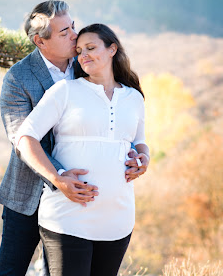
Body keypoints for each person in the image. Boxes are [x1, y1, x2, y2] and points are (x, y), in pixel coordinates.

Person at [14, 23, 150, 276]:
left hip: (117, 219)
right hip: (67, 218)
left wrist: (145, 159)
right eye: (78, 50)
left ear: (112, 49)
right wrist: (57, 178)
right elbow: (25, 136)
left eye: (90, 48)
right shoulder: (66, 91)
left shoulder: (134, 97)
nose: (83, 55)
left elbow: (140, 141)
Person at [0, 0, 99, 276]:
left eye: (73, 26)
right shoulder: (17, 77)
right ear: (40, 41)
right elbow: (21, 139)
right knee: (9, 272)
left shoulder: (86, 66)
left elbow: (113, 112)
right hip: (27, 194)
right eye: (65, 32)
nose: (75, 35)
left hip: (77, 194)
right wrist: (59, 175)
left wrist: (138, 150)